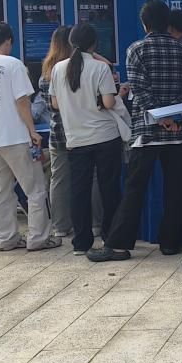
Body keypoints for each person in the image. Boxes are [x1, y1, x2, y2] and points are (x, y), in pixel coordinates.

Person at [93, 0, 182, 262]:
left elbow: (140, 89)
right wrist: (173, 118)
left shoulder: (136, 49)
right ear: (167, 23)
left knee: (134, 188)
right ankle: (171, 243)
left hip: (147, 132)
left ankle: (119, 245)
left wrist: (161, 118)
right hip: (178, 131)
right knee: (176, 189)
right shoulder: (181, 50)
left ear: (144, 23)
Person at [0, 22, 58, 252]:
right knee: (35, 189)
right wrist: (32, 131)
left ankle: (6, 238)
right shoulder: (13, 64)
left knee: (0, 191)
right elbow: (22, 101)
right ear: (8, 41)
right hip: (14, 136)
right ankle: (38, 237)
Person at [50, 22, 123, 256]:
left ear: (71, 43)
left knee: (79, 190)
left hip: (76, 138)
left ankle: (81, 243)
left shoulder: (58, 68)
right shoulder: (100, 68)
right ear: (94, 44)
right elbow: (109, 102)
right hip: (105, 136)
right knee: (109, 188)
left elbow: (54, 103)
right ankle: (111, 237)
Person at [40, 26, 75, 237]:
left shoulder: (46, 74)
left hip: (58, 132)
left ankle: (60, 226)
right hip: (80, 130)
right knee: (91, 177)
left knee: (58, 178)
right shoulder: (75, 70)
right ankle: (95, 223)